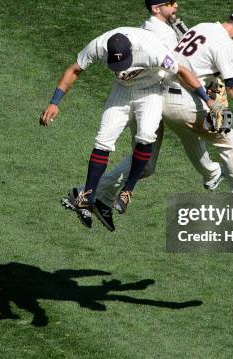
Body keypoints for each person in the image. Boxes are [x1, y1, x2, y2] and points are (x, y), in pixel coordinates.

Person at [68, 3, 233, 231]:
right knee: (230, 141)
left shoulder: (203, 27)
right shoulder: (226, 46)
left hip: (156, 96)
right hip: (184, 103)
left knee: (146, 162)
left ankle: (89, 192)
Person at [40, 24, 217, 227]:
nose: (122, 68)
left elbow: (183, 72)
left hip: (150, 90)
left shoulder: (151, 51)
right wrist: (55, 102)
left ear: (131, 51)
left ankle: (127, 190)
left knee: (146, 136)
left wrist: (208, 101)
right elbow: (74, 69)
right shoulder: (99, 45)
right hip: (122, 91)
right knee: (103, 140)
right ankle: (86, 199)